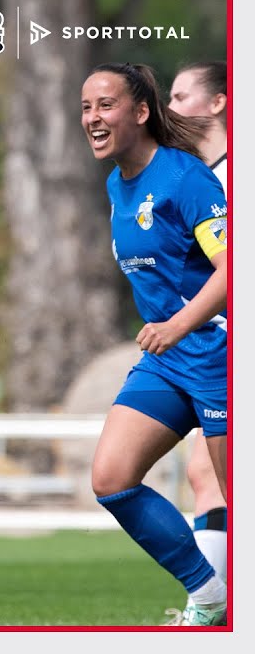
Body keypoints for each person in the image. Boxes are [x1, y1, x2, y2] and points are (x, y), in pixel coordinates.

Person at [80, 63, 228, 626]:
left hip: (219, 357)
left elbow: (234, 268)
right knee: (112, 479)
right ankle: (210, 595)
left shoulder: (186, 179)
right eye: (87, 107)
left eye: (106, 105)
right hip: (167, 363)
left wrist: (178, 324)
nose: (93, 118)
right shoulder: (116, 183)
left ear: (140, 113)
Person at [166, 59, 229, 616]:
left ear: (218, 103)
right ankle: (212, 606)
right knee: (205, 473)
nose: (170, 108)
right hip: (211, 352)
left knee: (215, 476)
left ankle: (211, 608)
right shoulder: (197, 180)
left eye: (182, 96)